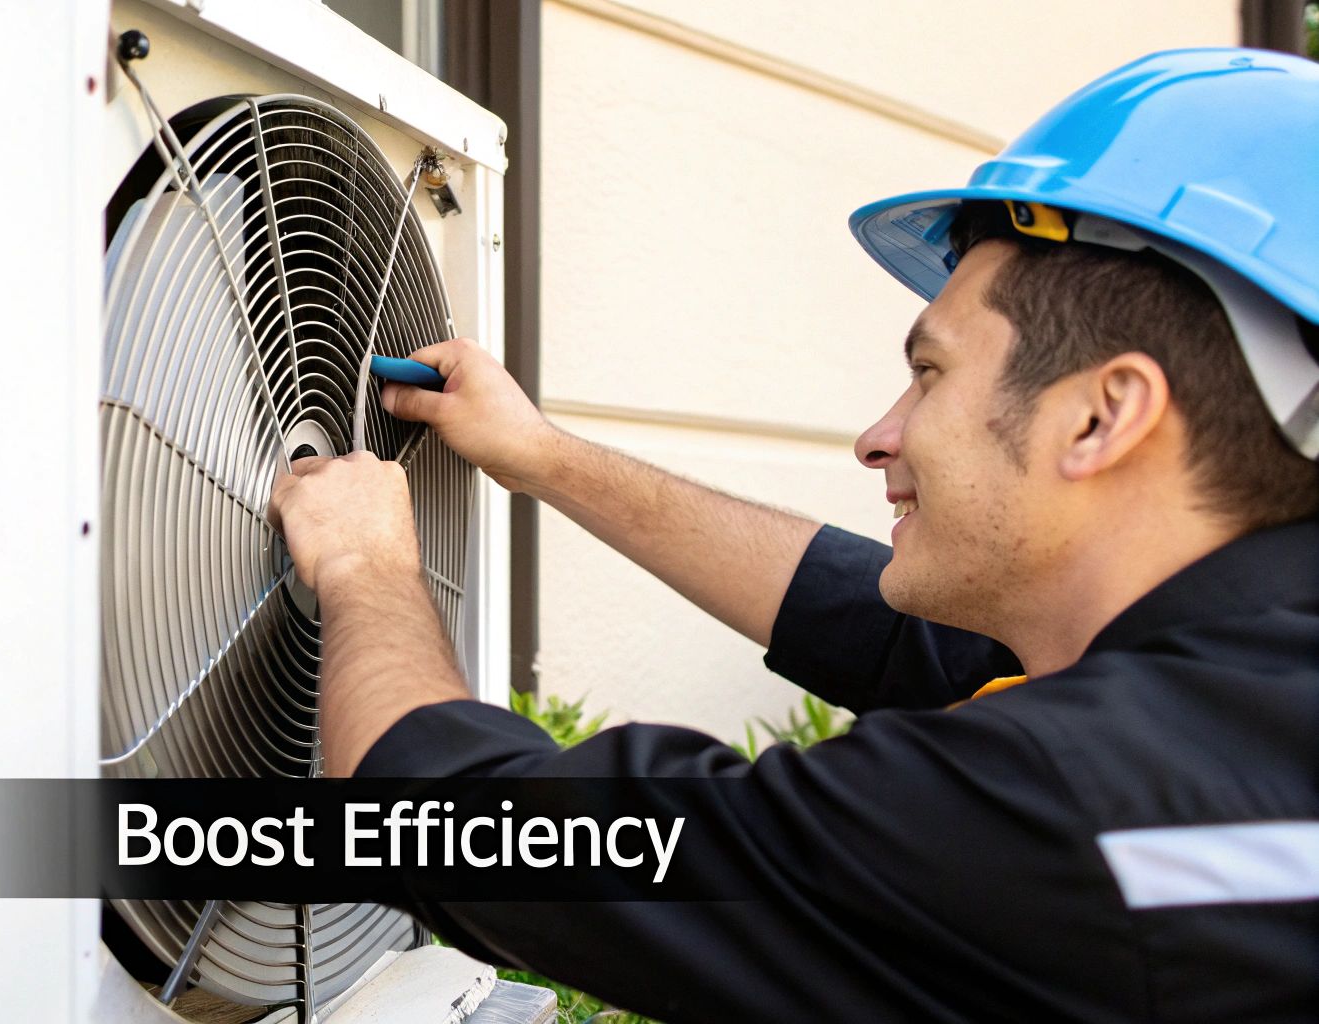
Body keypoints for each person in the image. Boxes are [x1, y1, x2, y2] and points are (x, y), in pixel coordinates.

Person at [266, 48, 1319, 1021]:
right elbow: (875, 623)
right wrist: (539, 453)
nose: (879, 436)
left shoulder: (1065, 809)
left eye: (928, 372)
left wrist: (365, 565)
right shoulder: (1237, 694)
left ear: (1099, 415)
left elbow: (464, 832)